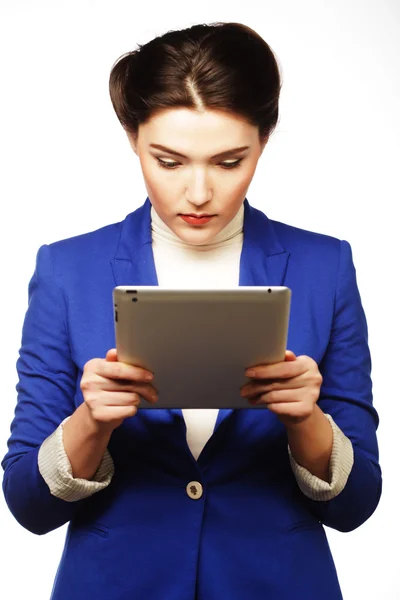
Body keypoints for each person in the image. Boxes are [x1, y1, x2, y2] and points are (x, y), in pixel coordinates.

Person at [2, 21, 381, 600]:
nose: (199, 193)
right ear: (133, 138)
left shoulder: (324, 267)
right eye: (169, 161)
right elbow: (28, 505)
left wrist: (306, 421)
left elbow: (357, 506)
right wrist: (91, 422)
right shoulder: (65, 270)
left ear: (265, 138)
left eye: (229, 161)